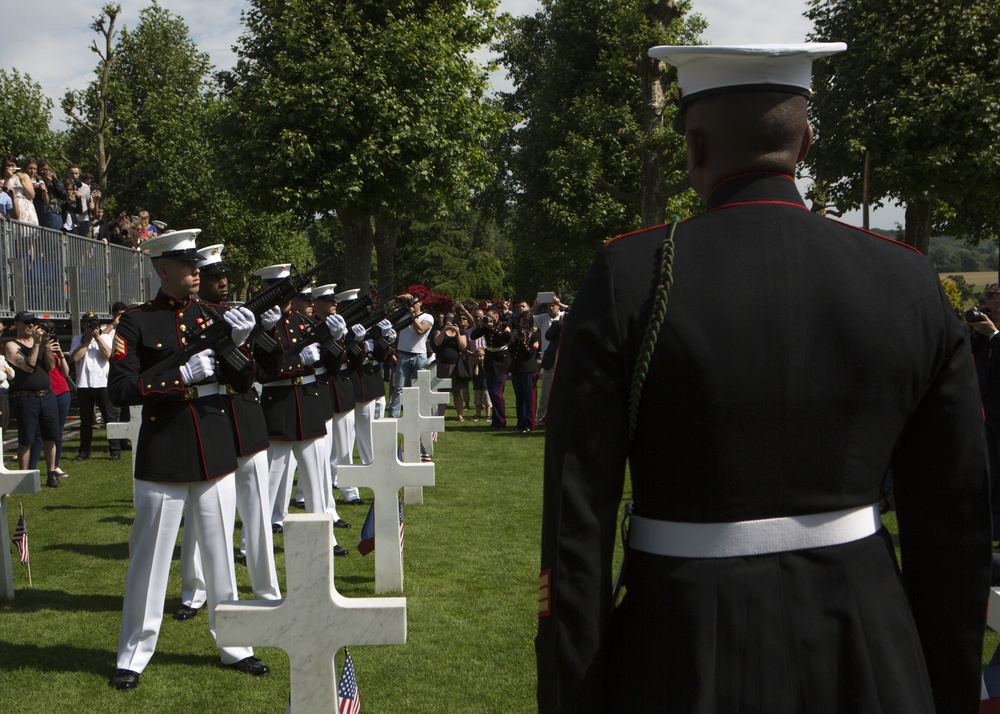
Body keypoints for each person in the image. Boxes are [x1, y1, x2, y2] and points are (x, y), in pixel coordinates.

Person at [536, 44, 991, 713]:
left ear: (693, 147)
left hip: (679, 644)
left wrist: (571, 695)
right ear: (805, 144)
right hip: (868, 647)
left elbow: (576, 529)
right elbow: (955, 523)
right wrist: (944, 688)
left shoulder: (632, 277)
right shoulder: (906, 278)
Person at [108, 230, 269, 691]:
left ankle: (236, 645)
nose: (195, 270)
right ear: (162, 269)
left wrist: (239, 344)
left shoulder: (214, 316)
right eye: (185, 263)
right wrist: (178, 377)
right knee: (151, 560)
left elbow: (244, 382)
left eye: (196, 262)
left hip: (215, 449)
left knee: (220, 558)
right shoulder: (137, 322)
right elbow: (120, 390)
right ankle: (134, 653)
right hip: (165, 450)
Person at [175, 244, 282, 621]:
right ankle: (195, 589)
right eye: (215, 276)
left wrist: (267, 330)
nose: (223, 282)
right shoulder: (185, 319)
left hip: (245, 416)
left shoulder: (240, 316)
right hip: (207, 417)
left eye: (225, 276)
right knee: (201, 512)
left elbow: (270, 365)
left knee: (257, 511)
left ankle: (266, 589)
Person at [252, 264, 348, 555]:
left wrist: (336, 339)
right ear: (266, 290)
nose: (282, 295)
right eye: (275, 289)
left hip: (307, 403)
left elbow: (331, 367)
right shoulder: (257, 325)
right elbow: (261, 373)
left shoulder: (303, 324)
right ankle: (254, 544)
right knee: (269, 482)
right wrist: (299, 362)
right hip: (279, 406)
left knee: (317, 483)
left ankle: (326, 538)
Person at [5, 311, 60, 485]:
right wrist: (36, 345)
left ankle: (51, 473)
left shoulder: (41, 343)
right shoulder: (12, 346)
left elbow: (51, 367)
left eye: (33, 323)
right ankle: (24, 477)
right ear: (17, 325)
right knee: (26, 439)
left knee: (50, 436)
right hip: (26, 398)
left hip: (47, 395)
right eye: (27, 322)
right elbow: (28, 367)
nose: (31, 326)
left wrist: (47, 345)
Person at [70, 311, 121, 462]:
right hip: (84, 384)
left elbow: (109, 356)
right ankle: (84, 451)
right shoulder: (77, 340)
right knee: (85, 421)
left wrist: (97, 337)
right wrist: (86, 341)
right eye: (89, 323)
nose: (92, 326)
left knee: (109, 419)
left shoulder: (106, 337)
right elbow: (75, 358)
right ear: (83, 325)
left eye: (94, 323)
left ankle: (115, 450)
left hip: (103, 384)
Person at [386, 295, 434, 418]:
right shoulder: (403, 315)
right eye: (411, 302)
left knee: (421, 388)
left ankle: (421, 415)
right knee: (399, 388)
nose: (413, 305)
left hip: (419, 357)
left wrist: (413, 315)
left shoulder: (427, 317)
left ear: (421, 303)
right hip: (403, 355)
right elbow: (388, 308)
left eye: (416, 303)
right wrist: (398, 298)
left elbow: (420, 330)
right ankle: (394, 417)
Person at [470, 308, 511, 429]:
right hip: (489, 362)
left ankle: (501, 421)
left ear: (496, 317)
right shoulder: (485, 328)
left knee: (496, 392)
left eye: (490, 317)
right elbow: (473, 336)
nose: (488, 319)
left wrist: (491, 327)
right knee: (493, 393)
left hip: (501, 362)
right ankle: (496, 421)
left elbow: (507, 338)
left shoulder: (504, 325)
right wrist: (482, 326)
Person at [431, 311, 468, 421]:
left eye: (452, 318)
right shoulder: (439, 330)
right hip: (443, 364)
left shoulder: (461, 331)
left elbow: (463, 346)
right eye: (447, 318)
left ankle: (460, 415)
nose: (449, 320)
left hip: (456, 365)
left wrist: (457, 332)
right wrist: (444, 330)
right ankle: (440, 414)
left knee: (457, 391)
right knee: (442, 391)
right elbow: (437, 342)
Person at [508, 310, 539, 432]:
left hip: (529, 370)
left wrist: (523, 342)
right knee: (519, 398)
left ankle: (530, 423)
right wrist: (516, 339)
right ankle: (520, 421)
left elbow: (531, 352)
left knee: (529, 398)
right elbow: (510, 349)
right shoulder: (516, 333)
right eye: (522, 321)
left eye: (526, 321)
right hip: (517, 369)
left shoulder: (535, 335)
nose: (524, 324)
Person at [1, 155, 37, 224]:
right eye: (8, 165)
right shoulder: (2, 181)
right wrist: (8, 177)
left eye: (12, 165)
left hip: (25, 208)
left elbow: (32, 195)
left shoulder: (24, 176)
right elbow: (5, 194)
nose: (10, 167)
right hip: (11, 208)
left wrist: (22, 181)